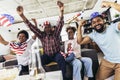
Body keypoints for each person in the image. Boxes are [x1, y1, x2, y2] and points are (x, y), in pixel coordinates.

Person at [16, 1, 67, 80]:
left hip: (56, 54)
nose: (47, 28)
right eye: (46, 27)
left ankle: (63, 78)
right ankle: (41, 78)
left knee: (61, 59)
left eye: (48, 26)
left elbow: (60, 23)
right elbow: (32, 27)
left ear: (51, 27)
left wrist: (61, 11)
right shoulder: (42, 35)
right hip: (47, 56)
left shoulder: (55, 33)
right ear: (44, 28)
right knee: (38, 61)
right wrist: (22, 15)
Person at [77, 1, 120, 80]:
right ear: (92, 25)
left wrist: (111, 4)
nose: (96, 23)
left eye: (98, 20)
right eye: (93, 22)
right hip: (107, 61)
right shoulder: (93, 35)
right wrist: (79, 26)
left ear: (103, 20)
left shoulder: (114, 27)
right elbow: (80, 41)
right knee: (98, 78)